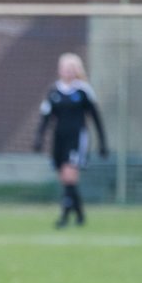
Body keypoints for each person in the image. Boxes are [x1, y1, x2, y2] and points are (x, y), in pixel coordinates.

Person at [32, 52, 107, 228]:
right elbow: (45, 117)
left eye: (71, 69)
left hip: (77, 137)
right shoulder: (54, 91)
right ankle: (80, 214)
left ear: (77, 70)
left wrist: (102, 142)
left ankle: (64, 217)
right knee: (66, 179)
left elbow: (96, 118)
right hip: (59, 138)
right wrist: (38, 137)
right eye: (65, 68)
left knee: (70, 174)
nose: (68, 72)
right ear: (60, 70)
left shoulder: (83, 90)